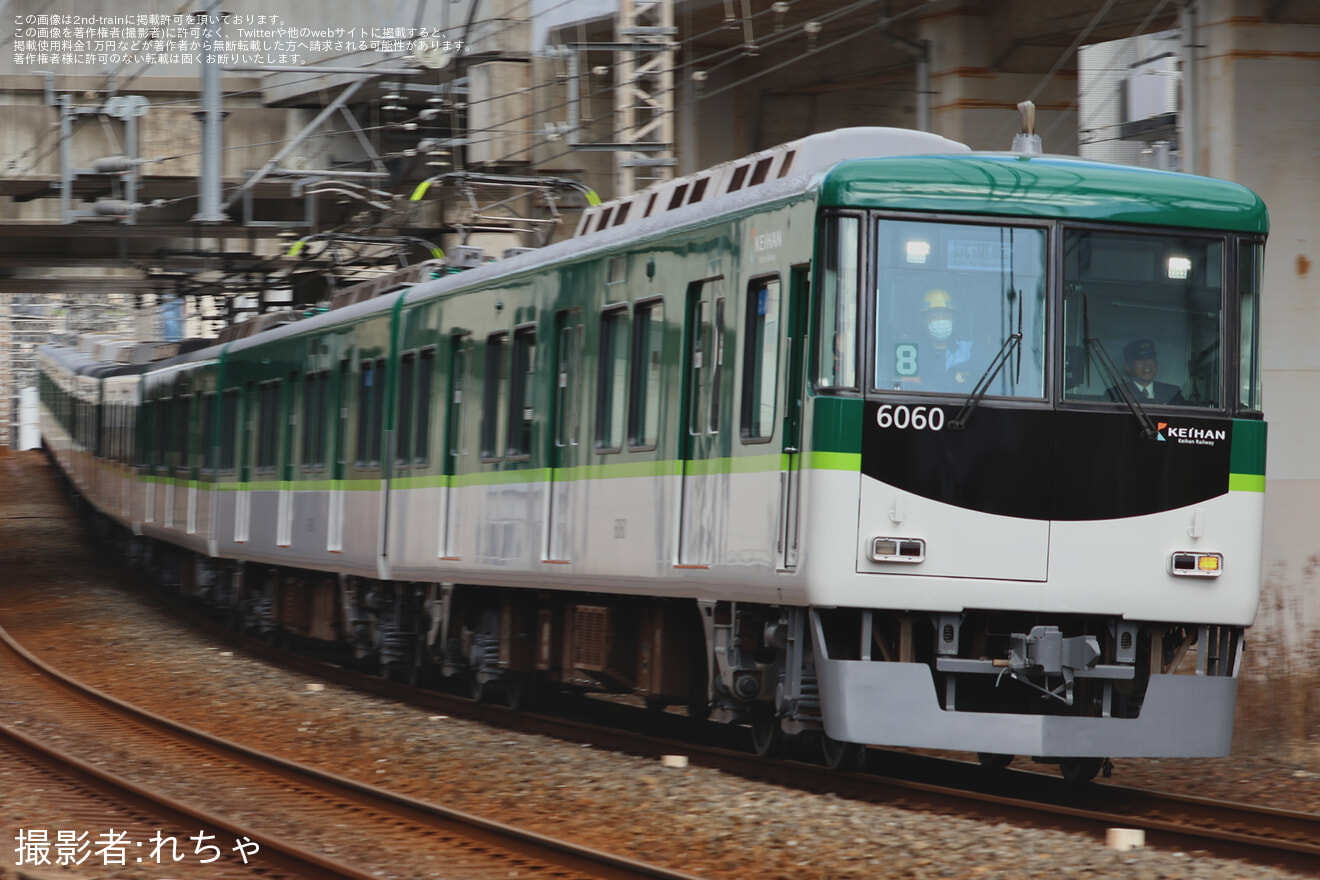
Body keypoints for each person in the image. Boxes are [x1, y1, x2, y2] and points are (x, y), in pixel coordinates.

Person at [914, 288, 974, 390]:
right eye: (934, 316)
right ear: (924, 321)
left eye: (946, 315)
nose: (941, 320)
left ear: (953, 319)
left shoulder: (970, 349)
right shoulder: (913, 351)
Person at [1107, 338, 1185, 404]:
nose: (1147, 363)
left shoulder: (1172, 393)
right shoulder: (1116, 394)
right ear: (1128, 368)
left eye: (1150, 358)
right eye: (1140, 359)